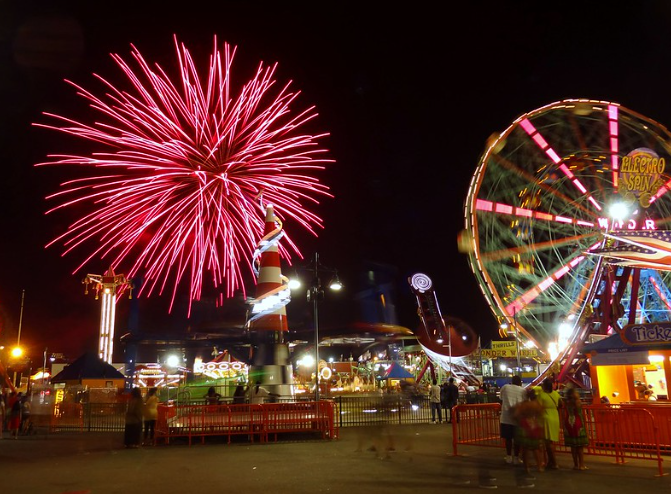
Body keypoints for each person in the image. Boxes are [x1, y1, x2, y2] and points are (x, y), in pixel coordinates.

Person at [514, 388, 545, 474]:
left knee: (525, 449)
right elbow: (541, 413)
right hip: (534, 425)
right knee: (536, 448)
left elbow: (516, 415)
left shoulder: (523, 405)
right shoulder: (536, 405)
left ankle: (526, 467)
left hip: (524, 426)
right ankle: (539, 466)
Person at [535, 377, 561, 469]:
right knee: (551, 441)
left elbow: (538, 407)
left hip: (545, 417)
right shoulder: (556, 394)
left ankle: (554, 463)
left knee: (547, 442)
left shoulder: (541, 395)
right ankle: (550, 462)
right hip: (555, 416)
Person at [499, 375, 526, 465]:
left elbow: (501, 398)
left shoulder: (505, 387)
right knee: (517, 439)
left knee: (508, 439)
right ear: (520, 382)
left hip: (505, 417)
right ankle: (516, 457)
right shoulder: (523, 390)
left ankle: (508, 456)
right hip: (517, 417)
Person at [562, 387, 588, 470]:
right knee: (580, 446)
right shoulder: (578, 402)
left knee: (573, 446)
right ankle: (582, 465)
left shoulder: (566, 402)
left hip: (569, 423)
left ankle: (575, 465)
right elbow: (580, 413)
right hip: (577, 422)